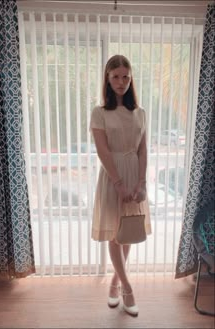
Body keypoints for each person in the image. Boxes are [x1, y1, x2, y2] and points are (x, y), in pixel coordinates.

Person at [89, 54, 151, 316]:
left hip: (135, 176)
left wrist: (140, 182)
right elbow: (102, 151)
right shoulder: (99, 112)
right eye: (116, 76)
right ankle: (127, 287)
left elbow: (143, 150)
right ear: (107, 78)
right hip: (112, 176)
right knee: (115, 234)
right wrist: (118, 183)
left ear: (131, 78)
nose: (121, 81)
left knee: (128, 233)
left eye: (126, 76)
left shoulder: (140, 112)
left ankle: (114, 284)